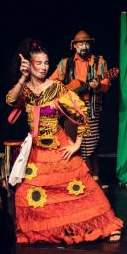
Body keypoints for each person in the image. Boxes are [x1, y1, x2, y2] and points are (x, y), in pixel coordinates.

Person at [6, 39, 122, 244]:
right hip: (36, 150)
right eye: (38, 63)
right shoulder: (25, 90)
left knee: (79, 189)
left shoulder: (56, 88)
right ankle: (49, 229)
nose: (44, 67)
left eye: (46, 63)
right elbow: (11, 101)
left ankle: (104, 225)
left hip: (58, 145)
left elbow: (81, 113)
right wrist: (23, 78)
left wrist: (76, 144)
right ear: (29, 65)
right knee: (26, 192)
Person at [50, 30, 111, 185]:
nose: (84, 46)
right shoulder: (65, 63)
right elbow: (52, 83)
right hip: (71, 108)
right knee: (72, 140)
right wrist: (64, 93)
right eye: (81, 43)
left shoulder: (99, 62)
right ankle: (79, 176)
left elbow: (105, 86)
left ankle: (93, 176)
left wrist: (98, 86)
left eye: (87, 43)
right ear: (74, 45)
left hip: (91, 107)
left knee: (91, 140)